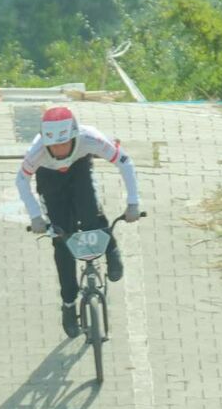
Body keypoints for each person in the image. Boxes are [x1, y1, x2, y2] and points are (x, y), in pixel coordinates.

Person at [16, 107, 142, 337]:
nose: (59, 150)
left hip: (79, 169)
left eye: (64, 143)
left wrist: (133, 203)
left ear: (75, 136)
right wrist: (35, 216)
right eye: (53, 146)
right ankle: (68, 304)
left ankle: (111, 249)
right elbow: (21, 180)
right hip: (50, 180)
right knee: (62, 239)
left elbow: (125, 162)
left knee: (89, 211)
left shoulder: (90, 138)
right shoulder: (36, 152)